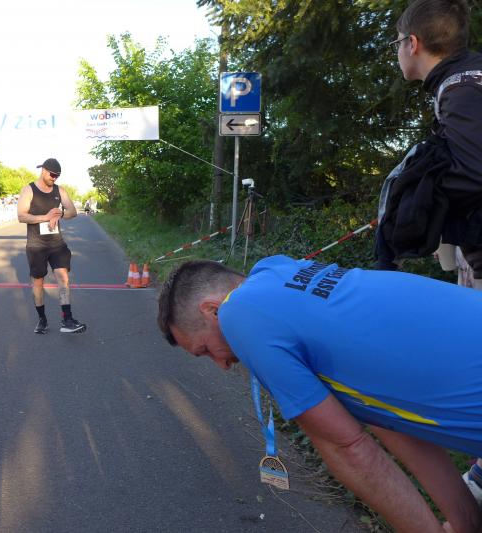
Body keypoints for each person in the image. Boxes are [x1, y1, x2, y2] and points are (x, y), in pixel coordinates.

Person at [157, 256, 482, 533]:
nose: (222, 365)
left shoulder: (239, 312)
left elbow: (348, 447)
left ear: (213, 311)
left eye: (206, 350)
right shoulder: (279, 273)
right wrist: (465, 522)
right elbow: (394, 425)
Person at [377, 0, 482, 280]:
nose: (397, 52)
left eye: (397, 43)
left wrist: (413, 198)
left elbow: (473, 172)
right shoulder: (468, 78)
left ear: (412, 44)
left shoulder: (462, 89)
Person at [17, 158, 86, 334]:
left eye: (57, 176)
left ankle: (67, 319)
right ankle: (42, 320)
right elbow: (21, 216)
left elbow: (73, 211)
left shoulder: (59, 190)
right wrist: (46, 217)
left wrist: (60, 214)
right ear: (43, 171)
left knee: (63, 277)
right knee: (38, 283)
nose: (54, 178)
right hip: (36, 245)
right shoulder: (29, 190)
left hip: (56, 244)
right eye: (52, 175)